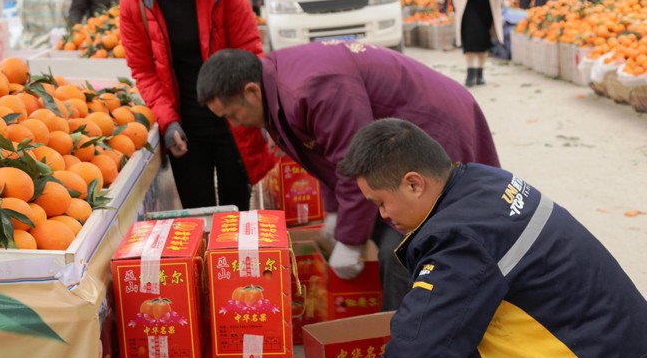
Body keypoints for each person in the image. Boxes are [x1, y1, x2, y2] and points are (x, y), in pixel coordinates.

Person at [342, 118, 647, 358]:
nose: (382, 216)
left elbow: (417, 353)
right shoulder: (482, 181)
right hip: (617, 356)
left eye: (380, 202)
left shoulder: (459, 239)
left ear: (414, 182)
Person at [194, 46, 499, 309]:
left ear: (251, 91)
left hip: (433, 127)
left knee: (409, 246)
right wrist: (334, 212)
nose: (236, 124)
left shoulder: (311, 87)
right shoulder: (275, 80)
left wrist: (350, 240)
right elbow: (323, 151)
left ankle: (410, 335)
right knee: (394, 232)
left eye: (233, 115)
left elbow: (353, 158)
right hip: (396, 142)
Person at [119, 0, 274, 211]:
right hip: (184, 127)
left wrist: (251, 109)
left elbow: (249, 51)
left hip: (234, 119)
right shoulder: (133, 5)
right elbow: (143, 71)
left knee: (235, 213)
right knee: (197, 216)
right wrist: (168, 120)